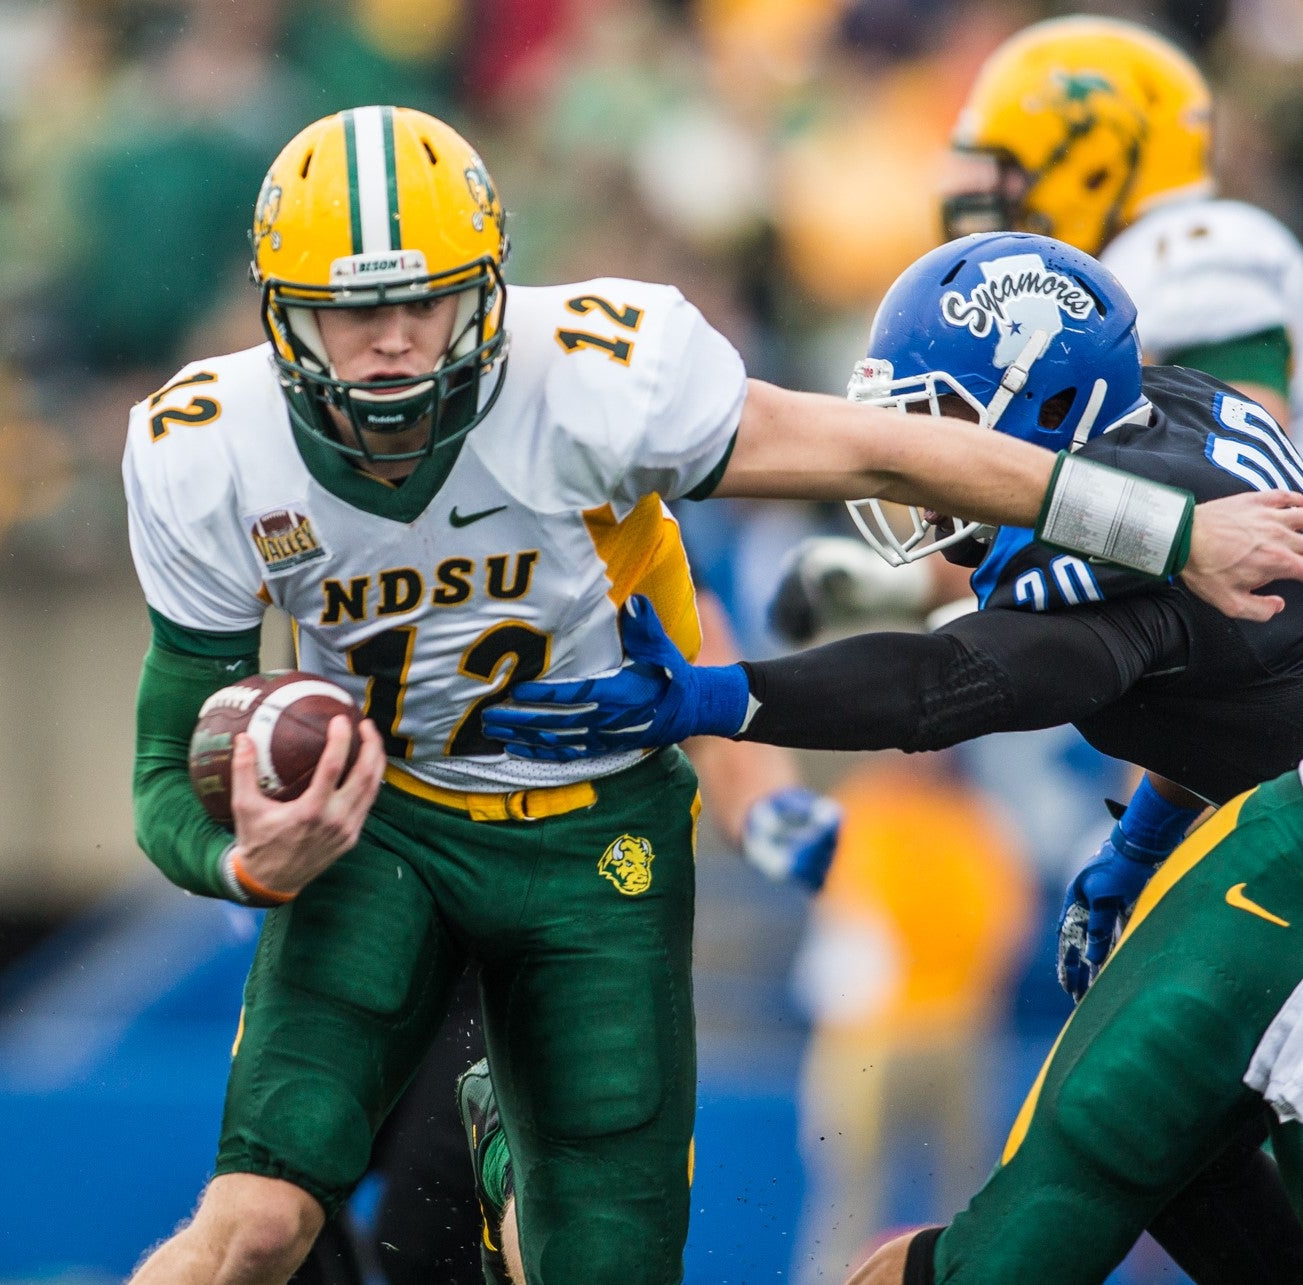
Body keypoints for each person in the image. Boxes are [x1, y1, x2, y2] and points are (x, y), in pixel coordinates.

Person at [121, 103, 1303, 1285]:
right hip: (387, 827)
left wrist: (721, 704)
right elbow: (167, 763)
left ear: (483, 283)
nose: (388, 345)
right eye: (348, 311)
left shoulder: (594, 377)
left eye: (418, 302)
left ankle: (508, 1164)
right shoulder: (207, 445)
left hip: (590, 830)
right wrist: (244, 864)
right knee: (262, 1225)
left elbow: (926, 586)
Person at [481, 230, 1303, 1281]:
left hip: (1285, 881)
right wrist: (1144, 837)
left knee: (1087, 1148)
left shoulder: (1115, 560)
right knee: (1184, 1160)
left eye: (942, 421)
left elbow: (945, 683)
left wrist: (721, 698)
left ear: (1045, 406)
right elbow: (1233, 684)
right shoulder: (1167, 412)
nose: (919, 456)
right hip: (1270, 840)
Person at [840, 756, 1303, 1284]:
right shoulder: (874, 811)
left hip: (966, 1020)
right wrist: (1142, 835)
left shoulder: (966, 817)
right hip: (882, 1027)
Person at [942, 15, 1303, 432]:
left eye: (1009, 171)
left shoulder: (1189, 252)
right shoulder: (1116, 268)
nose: (993, 191)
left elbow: (1237, 455)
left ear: (1094, 164)